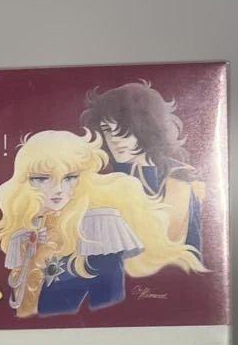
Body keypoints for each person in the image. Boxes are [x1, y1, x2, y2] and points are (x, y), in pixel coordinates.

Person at [0, 130, 204, 318]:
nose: (58, 189)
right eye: (42, 178)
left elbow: (108, 305)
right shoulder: (27, 230)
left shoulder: (99, 228)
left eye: (69, 177)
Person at [81, 80, 206, 257]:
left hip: (175, 270)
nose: (115, 139)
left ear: (147, 127)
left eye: (124, 129)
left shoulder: (183, 177)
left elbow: (195, 253)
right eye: (107, 129)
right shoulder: (99, 178)